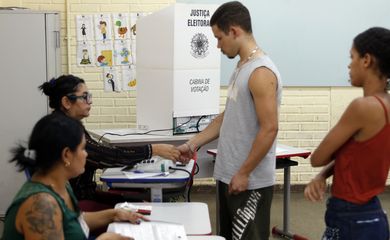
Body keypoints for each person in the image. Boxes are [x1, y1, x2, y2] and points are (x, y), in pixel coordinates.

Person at [178, 2, 282, 239]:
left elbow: (270, 128)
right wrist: (192, 143)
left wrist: (244, 173)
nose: (217, 45)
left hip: (249, 180)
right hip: (229, 174)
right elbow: (228, 117)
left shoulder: (261, 72)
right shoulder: (241, 67)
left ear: (235, 31)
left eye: (219, 38)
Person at [38, 74, 180, 205]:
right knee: (139, 205)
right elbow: (106, 156)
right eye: (85, 97)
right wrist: (153, 150)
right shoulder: (63, 130)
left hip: (84, 195)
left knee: (137, 201)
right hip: (77, 203)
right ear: (67, 102)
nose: (90, 102)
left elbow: (101, 154)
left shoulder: (66, 123)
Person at [2, 113, 148, 240]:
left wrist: (114, 214)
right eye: (83, 148)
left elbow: (73, 222)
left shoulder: (61, 183)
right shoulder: (42, 205)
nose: (86, 154)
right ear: (66, 155)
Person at [304, 27, 390, 239]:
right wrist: (324, 175)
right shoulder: (386, 105)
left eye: (352, 57)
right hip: (373, 214)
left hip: (350, 218)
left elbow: (318, 157)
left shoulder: (362, 107)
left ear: (366, 60)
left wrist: (321, 169)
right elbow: (357, 155)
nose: (349, 64)